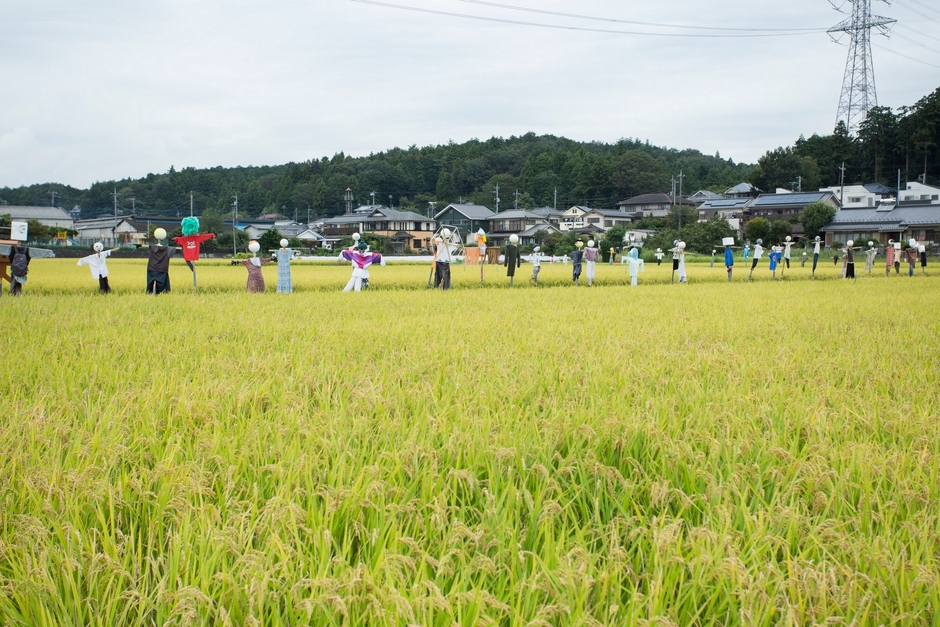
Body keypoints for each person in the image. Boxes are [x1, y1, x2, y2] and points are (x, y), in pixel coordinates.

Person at [147, 228, 174, 294]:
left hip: (151, 268)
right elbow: (173, 253)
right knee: (163, 289)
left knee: (150, 288)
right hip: (162, 270)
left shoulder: (152, 248)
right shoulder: (168, 249)